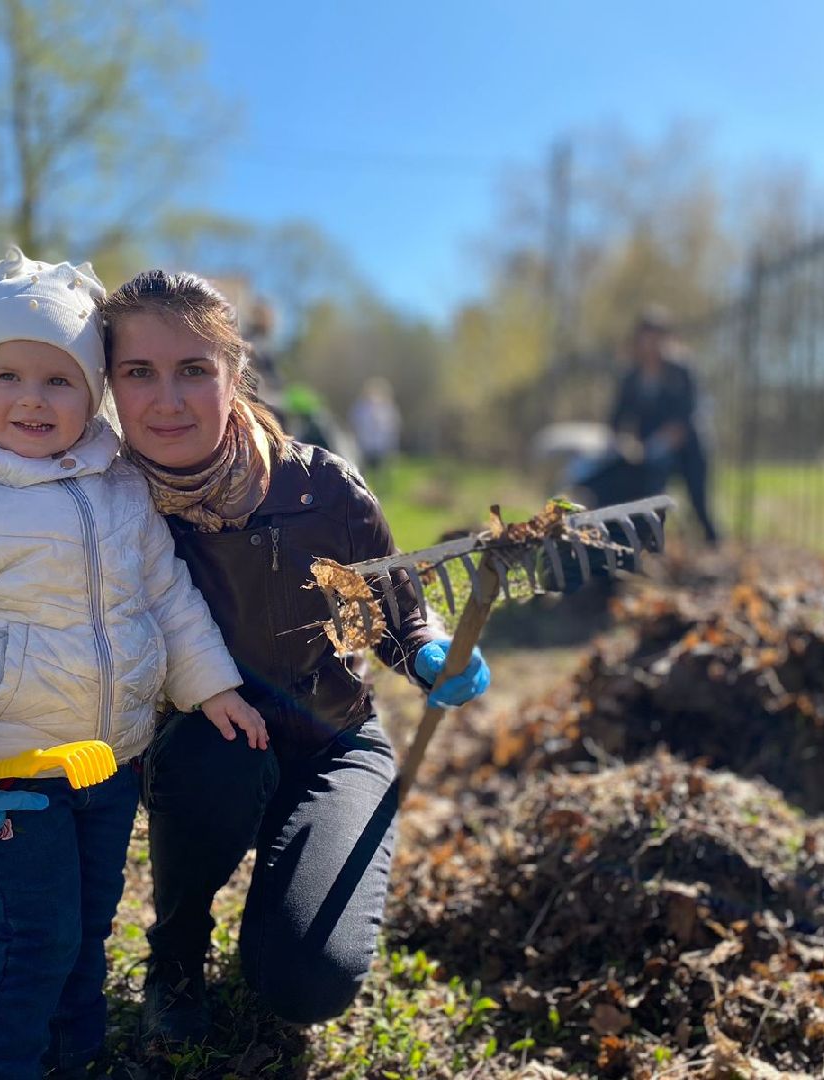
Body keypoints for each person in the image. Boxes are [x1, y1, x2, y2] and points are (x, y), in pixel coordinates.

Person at [0, 247, 267, 1079]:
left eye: (59, 381)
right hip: (9, 762)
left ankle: (76, 1055)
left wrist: (212, 683)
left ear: (92, 395)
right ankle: (1, 1065)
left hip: (107, 761)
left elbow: (168, 594)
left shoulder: (119, 486)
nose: (32, 400)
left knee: (89, 921)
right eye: (8, 377)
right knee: (38, 930)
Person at [98, 270, 492, 1044]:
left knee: (305, 982)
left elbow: (390, 616)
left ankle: (288, 898)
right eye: (138, 373)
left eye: (194, 371)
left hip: (331, 743)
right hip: (199, 753)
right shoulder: (103, 502)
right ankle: (176, 949)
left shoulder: (321, 490)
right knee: (219, 750)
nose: (166, 400)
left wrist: (428, 653)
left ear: (235, 374)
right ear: (108, 382)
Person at [608, 305, 720, 545]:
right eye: (645, 340)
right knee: (648, 499)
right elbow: (617, 419)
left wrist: (670, 437)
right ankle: (649, 548)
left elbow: (691, 410)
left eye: (656, 340)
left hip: (690, 448)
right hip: (650, 453)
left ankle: (714, 545)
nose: (650, 347)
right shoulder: (631, 377)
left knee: (699, 503)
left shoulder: (681, 370)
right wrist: (625, 443)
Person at [349, 376, 401, 474]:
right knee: (364, 472)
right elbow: (355, 424)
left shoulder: (388, 408)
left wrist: (392, 446)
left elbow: (393, 428)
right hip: (364, 446)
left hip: (382, 446)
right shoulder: (360, 408)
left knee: (382, 472)